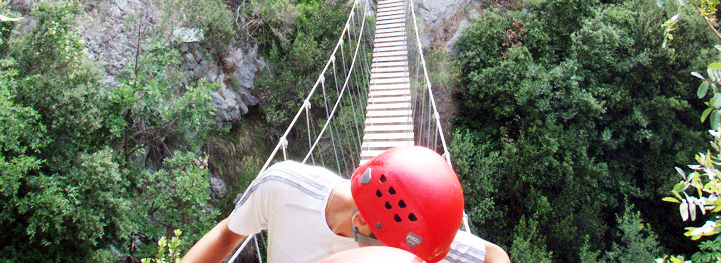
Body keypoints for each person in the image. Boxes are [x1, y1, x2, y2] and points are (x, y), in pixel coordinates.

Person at [181, 146, 510, 263]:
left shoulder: (413, 228)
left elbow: (494, 256)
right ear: (363, 223)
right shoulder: (283, 189)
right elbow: (229, 234)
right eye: (394, 254)